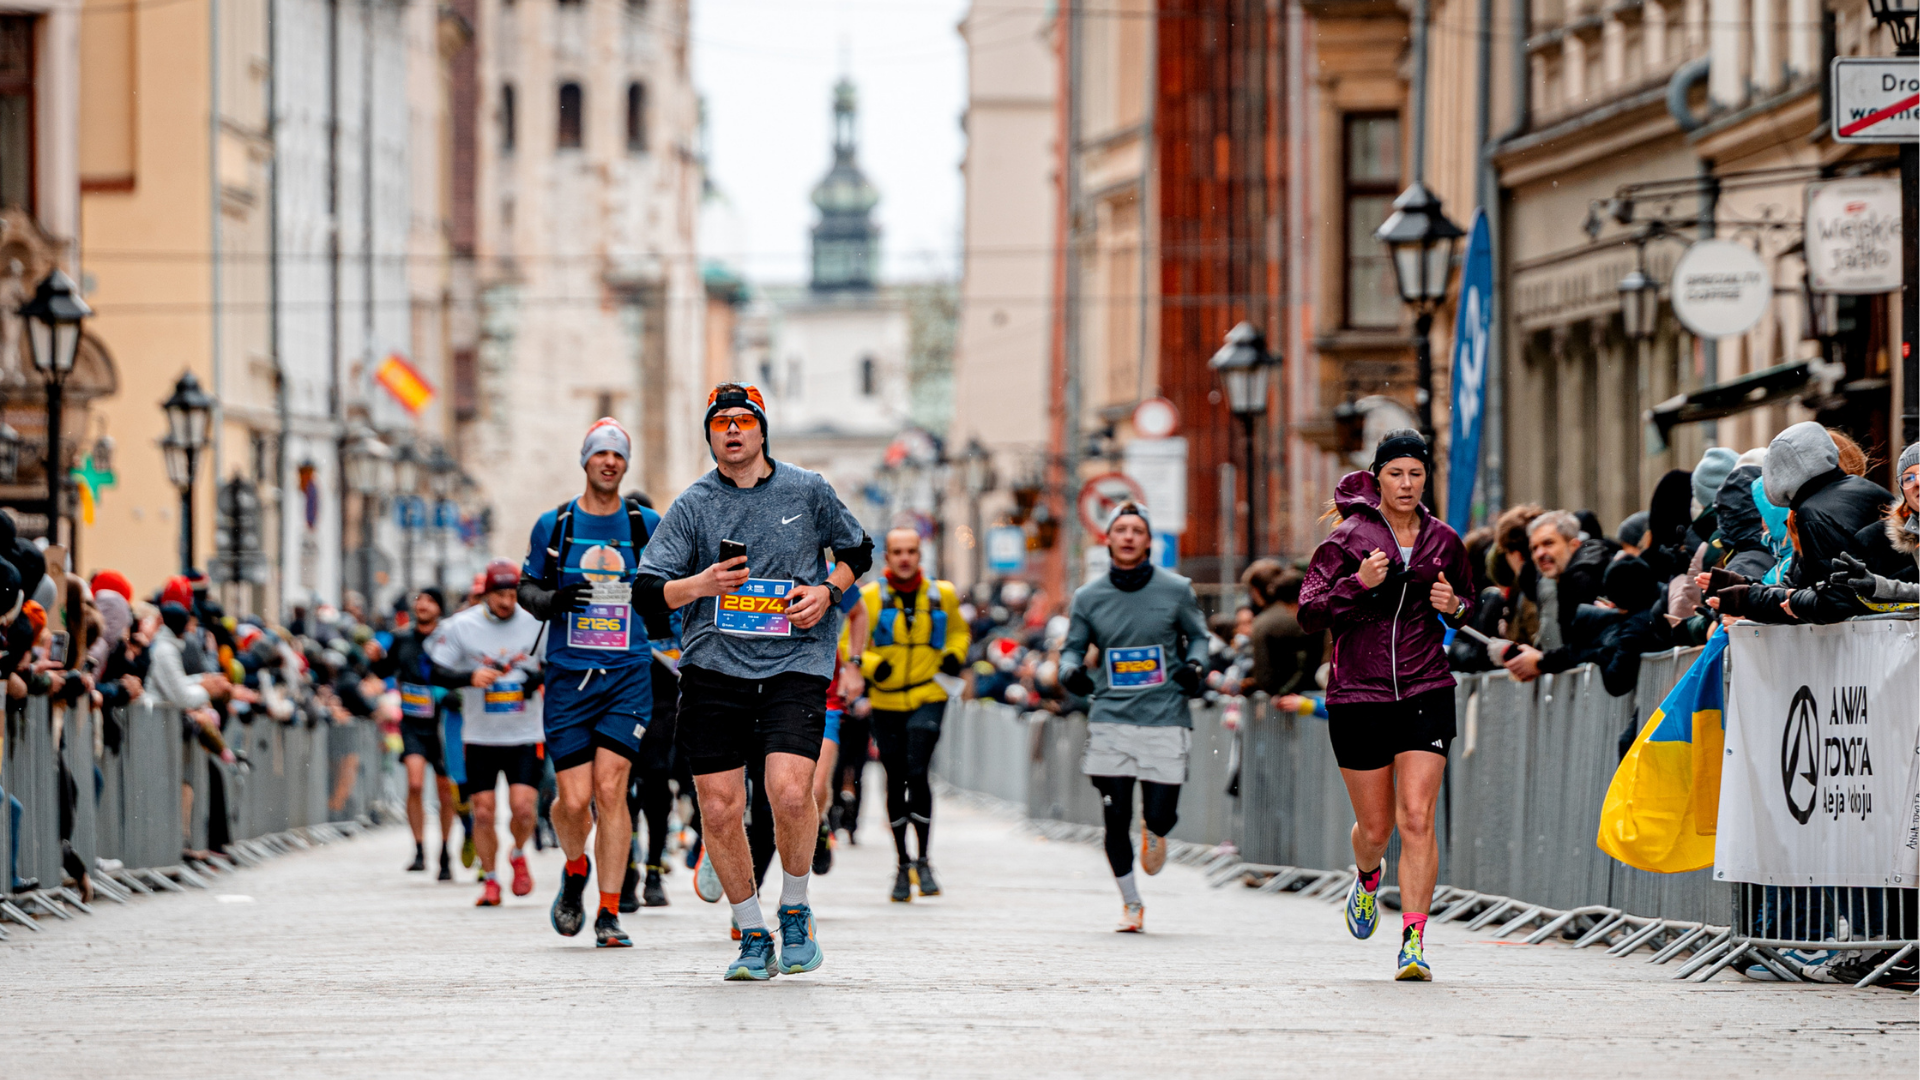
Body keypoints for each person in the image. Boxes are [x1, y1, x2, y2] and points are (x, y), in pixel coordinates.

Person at [634, 383, 871, 980]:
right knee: (719, 807)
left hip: (795, 662)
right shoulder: (692, 505)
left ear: (762, 431)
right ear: (711, 436)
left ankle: (795, 909)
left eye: (744, 421)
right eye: (722, 424)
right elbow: (646, 591)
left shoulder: (806, 489)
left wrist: (827, 591)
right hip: (714, 667)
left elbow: (857, 550)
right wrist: (701, 584)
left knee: (791, 793)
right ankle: (751, 931)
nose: (733, 431)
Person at [1298, 430, 1473, 981]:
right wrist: (1356, 583)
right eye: (1395, 473)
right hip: (1359, 693)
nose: (1406, 483)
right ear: (1377, 478)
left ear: (1426, 480)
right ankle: (1368, 877)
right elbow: (1309, 612)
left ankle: (1414, 943)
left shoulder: (1444, 540)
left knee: (1417, 817)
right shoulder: (1346, 538)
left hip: (1425, 688)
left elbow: (1475, 602)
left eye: (1416, 474)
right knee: (1376, 830)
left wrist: (1458, 606)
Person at [515, 418, 661, 948]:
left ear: (626, 464)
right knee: (574, 803)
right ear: (585, 461)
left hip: (627, 673)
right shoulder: (555, 525)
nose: (609, 463)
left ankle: (609, 911)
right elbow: (526, 588)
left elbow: (667, 589)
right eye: (600, 454)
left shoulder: (647, 524)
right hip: (569, 675)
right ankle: (575, 868)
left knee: (610, 788)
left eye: (619, 456)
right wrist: (554, 602)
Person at [1057, 502, 1209, 933]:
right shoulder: (1088, 597)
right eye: (1119, 529)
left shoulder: (1177, 589)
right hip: (1111, 717)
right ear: (1107, 538)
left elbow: (1199, 638)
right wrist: (1070, 670)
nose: (1127, 536)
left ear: (1148, 541)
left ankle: (1156, 828)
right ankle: (1131, 903)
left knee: (1160, 815)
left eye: (1136, 530)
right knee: (1114, 815)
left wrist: (1194, 667)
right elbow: (1073, 646)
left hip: (1165, 716)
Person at [859, 526, 970, 902]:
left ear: (919, 556)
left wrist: (955, 654)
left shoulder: (943, 594)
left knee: (918, 770)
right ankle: (902, 864)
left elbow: (959, 633)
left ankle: (924, 858)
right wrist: (874, 666)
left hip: (928, 694)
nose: (905, 558)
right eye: (897, 552)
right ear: (887, 557)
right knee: (895, 776)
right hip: (886, 700)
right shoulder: (870, 597)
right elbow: (850, 643)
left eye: (911, 551)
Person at [427, 560, 545, 908]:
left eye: (512, 595)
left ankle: (519, 853)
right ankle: (491, 880)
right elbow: (434, 670)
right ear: (486, 595)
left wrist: (532, 681)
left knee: (523, 809)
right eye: (500, 595)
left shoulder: (536, 623)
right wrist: (469, 678)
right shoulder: (463, 626)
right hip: (480, 736)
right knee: (482, 811)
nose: (507, 602)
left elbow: (556, 664)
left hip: (525, 732)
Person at [367, 586, 465, 879]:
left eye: (430, 600)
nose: (422, 605)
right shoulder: (401, 638)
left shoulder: (447, 639)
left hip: (442, 722)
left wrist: (451, 694)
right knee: (414, 784)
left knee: (446, 791)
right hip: (412, 722)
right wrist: (374, 657)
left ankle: (446, 852)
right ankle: (420, 849)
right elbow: (385, 670)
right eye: (419, 600)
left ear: (439, 608)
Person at [1496, 511, 1615, 682]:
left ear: (1574, 545)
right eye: (1534, 548)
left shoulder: (1582, 578)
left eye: (1548, 543)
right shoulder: (1570, 577)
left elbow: (1584, 647)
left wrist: (1540, 662)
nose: (1539, 554)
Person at [811, 586, 868, 876]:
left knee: (817, 787)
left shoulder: (832, 572)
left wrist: (853, 666)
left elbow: (859, 613)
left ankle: (819, 823)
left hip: (826, 695)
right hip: (769, 691)